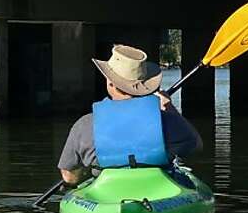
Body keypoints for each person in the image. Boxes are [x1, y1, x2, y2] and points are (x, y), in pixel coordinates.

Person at [58, 44, 203, 187]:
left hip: (107, 189)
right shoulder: (166, 120)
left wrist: (85, 172)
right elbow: (196, 145)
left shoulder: (85, 124)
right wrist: (168, 107)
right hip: (156, 188)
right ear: (145, 86)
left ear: (110, 84)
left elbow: (69, 177)